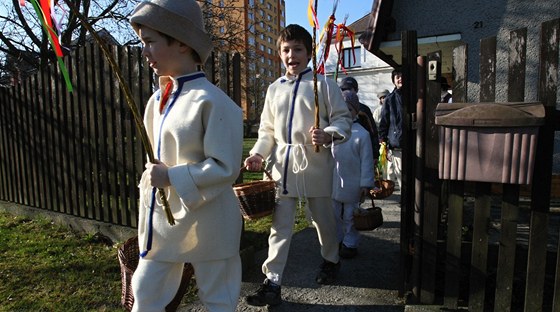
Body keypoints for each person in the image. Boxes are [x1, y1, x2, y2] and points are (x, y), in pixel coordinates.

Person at [129, 1, 244, 311]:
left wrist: (171, 177)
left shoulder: (214, 102)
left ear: (181, 42)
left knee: (218, 298)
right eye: (144, 43)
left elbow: (225, 166)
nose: (146, 51)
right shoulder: (158, 100)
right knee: (145, 291)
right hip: (165, 226)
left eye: (150, 42)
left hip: (211, 224)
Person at [244, 24, 352, 307]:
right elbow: (267, 130)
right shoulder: (274, 89)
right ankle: (273, 281)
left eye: (298, 49)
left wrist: (327, 133)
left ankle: (331, 258)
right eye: (286, 50)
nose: (291, 55)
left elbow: (344, 120)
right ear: (280, 54)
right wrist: (258, 153)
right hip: (283, 166)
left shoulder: (324, 85)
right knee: (280, 226)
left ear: (309, 52)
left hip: (316, 163)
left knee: (322, 220)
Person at [332, 90, 376, 259]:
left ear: (356, 112)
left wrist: (366, 183)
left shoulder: (362, 134)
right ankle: (337, 239)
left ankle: (350, 243)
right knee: (334, 214)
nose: (344, 113)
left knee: (351, 217)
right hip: (334, 182)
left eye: (348, 110)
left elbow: (366, 161)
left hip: (353, 184)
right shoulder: (332, 132)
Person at [339, 76, 380, 169]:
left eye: (349, 89)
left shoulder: (363, 110)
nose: (346, 91)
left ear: (356, 90)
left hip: (362, 149)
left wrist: (375, 154)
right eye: (343, 89)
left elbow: (373, 132)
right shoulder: (336, 107)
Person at [378, 68, 403, 189]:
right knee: (401, 176)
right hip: (397, 144)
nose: (400, 79)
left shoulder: (414, 96)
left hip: (414, 144)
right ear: (393, 80)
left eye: (402, 76)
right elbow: (384, 122)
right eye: (397, 76)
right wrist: (383, 142)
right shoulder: (390, 99)